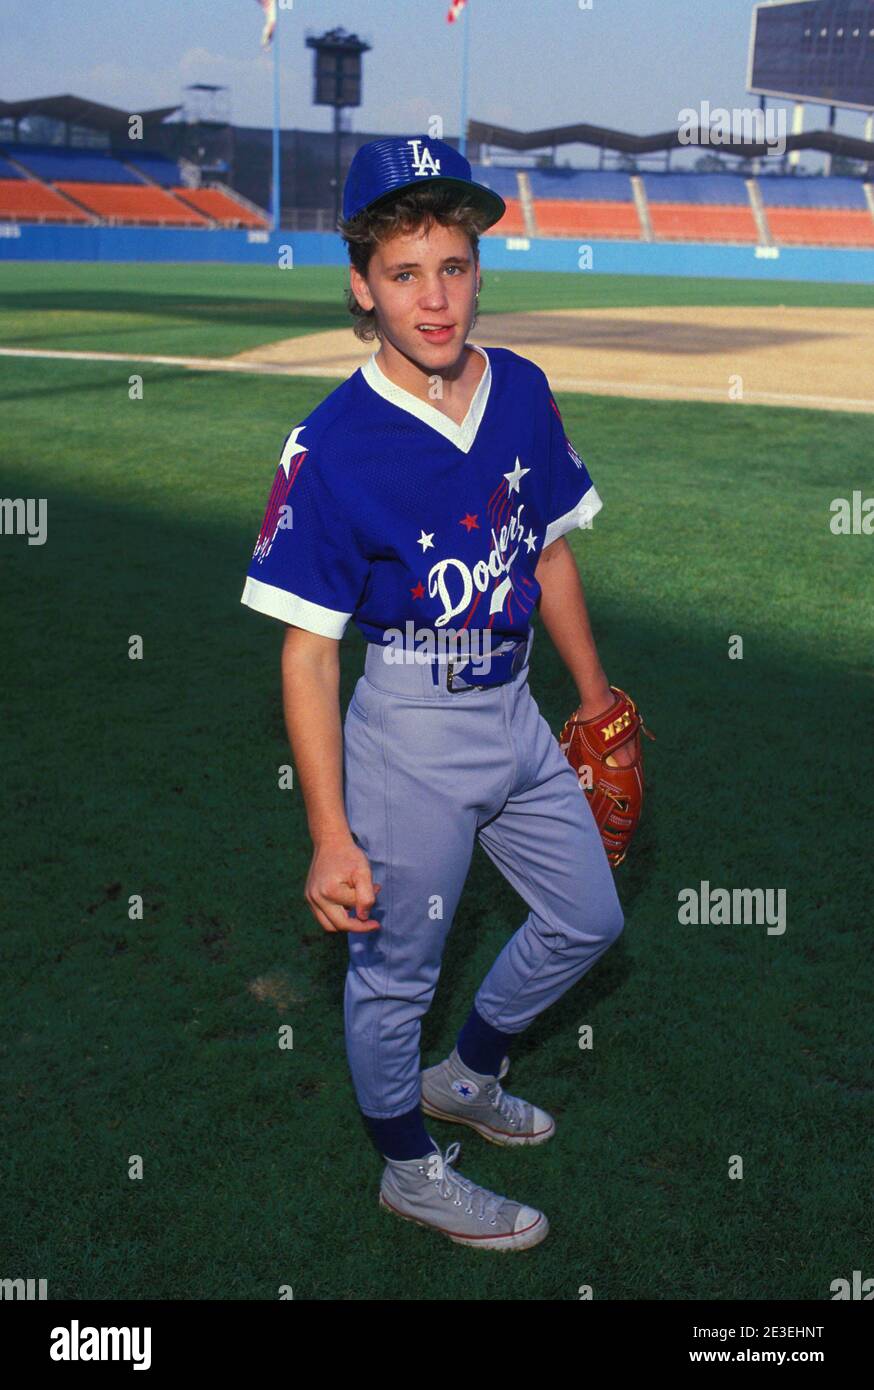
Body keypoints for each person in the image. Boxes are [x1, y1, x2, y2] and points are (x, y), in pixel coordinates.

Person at [241, 136, 633, 1252]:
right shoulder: (329, 445)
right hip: (408, 726)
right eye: (405, 272)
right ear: (362, 284)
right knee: (391, 973)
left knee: (587, 915)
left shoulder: (518, 388)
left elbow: (547, 552)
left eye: (453, 266)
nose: (434, 296)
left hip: (511, 708)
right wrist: (328, 833)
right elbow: (308, 654)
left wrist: (595, 698)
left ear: (477, 269)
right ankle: (408, 1170)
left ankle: (465, 1073)